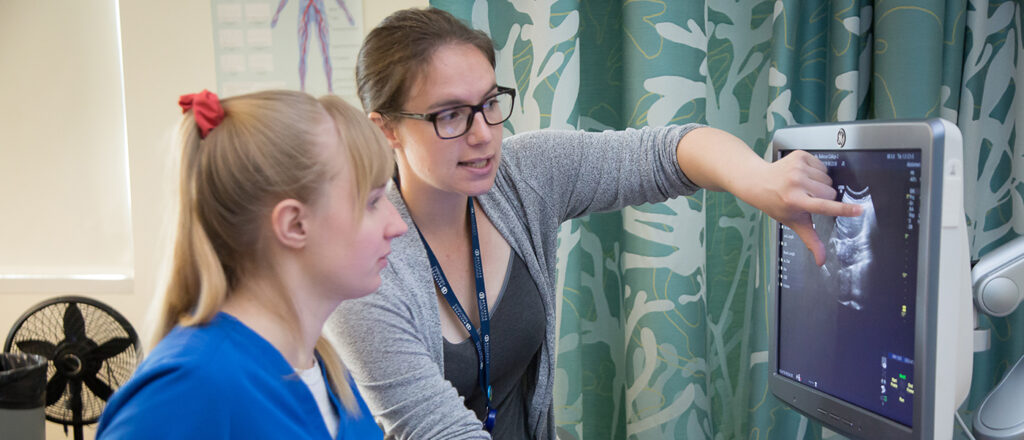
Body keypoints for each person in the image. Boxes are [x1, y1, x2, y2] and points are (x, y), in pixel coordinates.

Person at [328, 7, 861, 439]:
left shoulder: (523, 175)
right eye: (450, 115)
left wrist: (758, 181)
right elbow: (436, 429)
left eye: (490, 103)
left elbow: (667, 152)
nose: (483, 134)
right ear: (387, 130)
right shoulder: (362, 269)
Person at [97, 89, 406, 439]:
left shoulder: (325, 371)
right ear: (294, 225)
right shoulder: (187, 388)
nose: (398, 226)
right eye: (373, 201)